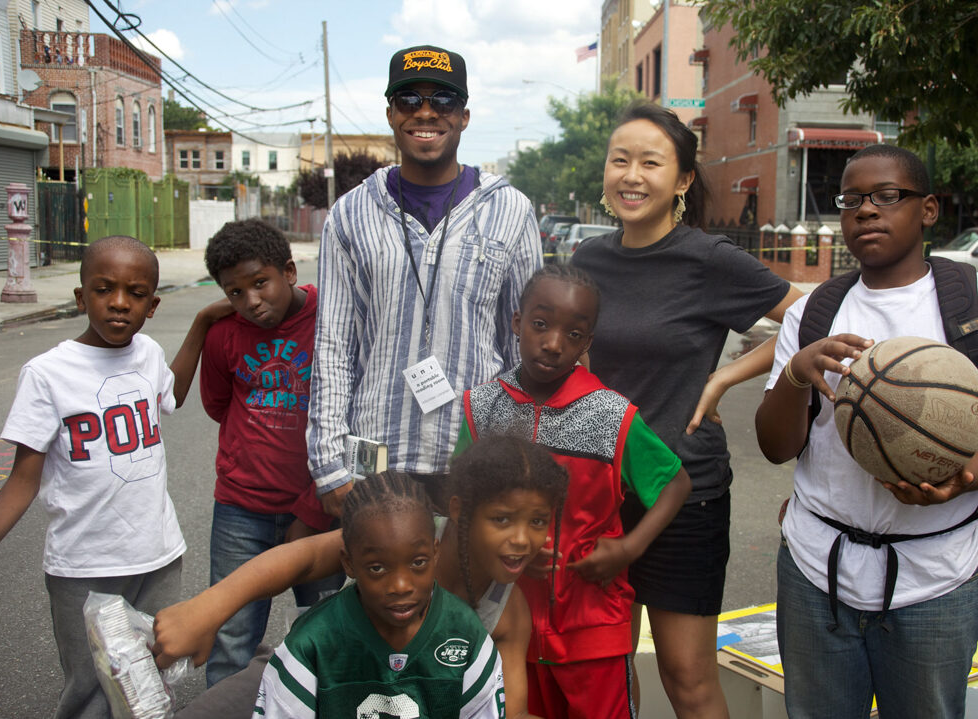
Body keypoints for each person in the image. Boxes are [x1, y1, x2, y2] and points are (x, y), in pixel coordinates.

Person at [756, 144, 978, 719]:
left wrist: (962, 480)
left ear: (929, 209)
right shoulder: (814, 311)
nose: (867, 211)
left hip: (934, 576)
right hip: (818, 569)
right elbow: (774, 446)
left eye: (888, 196)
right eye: (852, 200)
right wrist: (794, 374)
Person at [571, 102, 800, 718]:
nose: (632, 175)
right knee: (606, 669)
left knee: (687, 675)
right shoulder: (589, 261)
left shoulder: (708, 259)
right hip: (600, 492)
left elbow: (811, 316)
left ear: (683, 180)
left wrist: (724, 378)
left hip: (685, 490)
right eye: (620, 160)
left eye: (651, 162)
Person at [151, 436, 567, 719]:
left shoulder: (507, 614)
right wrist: (205, 611)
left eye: (536, 522)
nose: (521, 539)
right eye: (502, 519)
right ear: (459, 512)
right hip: (322, 668)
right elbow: (301, 559)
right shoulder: (406, 530)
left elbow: (506, 709)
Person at [0, 236, 227, 719]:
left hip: (157, 557)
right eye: (104, 289)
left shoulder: (147, 353)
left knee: (151, 678)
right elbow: (23, 479)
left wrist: (201, 324)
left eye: (136, 293)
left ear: (153, 305)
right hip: (83, 566)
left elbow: (171, 395)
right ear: (81, 297)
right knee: (92, 686)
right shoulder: (47, 373)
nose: (120, 303)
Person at [308, 45, 541, 514]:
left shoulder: (510, 210)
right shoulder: (351, 214)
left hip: (477, 456)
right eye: (410, 100)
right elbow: (334, 344)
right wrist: (329, 464)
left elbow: (525, 346)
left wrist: (523, 452)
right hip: (374, 458)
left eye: (444, 101)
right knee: (386, 588)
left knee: (471, 587)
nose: (427, 112)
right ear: (392, 113)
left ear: (465, 115)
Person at [457, 264, 692, 718]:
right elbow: (459, 503)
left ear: (587, 343)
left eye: (574, 333)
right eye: (540, 325)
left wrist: (628, 548)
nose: (552, 343)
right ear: (516, 322)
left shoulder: (611, 415)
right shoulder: (481, 408)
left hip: (593, 627)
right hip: (506, 626)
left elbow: (675, 482)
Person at [197, 219, 340, 686]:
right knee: (230, 640)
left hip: (318, 511)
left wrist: (314, 507)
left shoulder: (332, 321)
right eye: (235, 293)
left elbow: (353, 419)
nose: (252, 302)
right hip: (241, 510)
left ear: (289, 272)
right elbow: (219, 405)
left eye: (261, 283)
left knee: (324, 640)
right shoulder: (224, 336)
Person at [253, 470, 505, 718]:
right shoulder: (313, 642)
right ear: (349, 562)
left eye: (418, 562)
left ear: (435, 553)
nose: (401, 585)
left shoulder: (465, 633)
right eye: (377, 568)